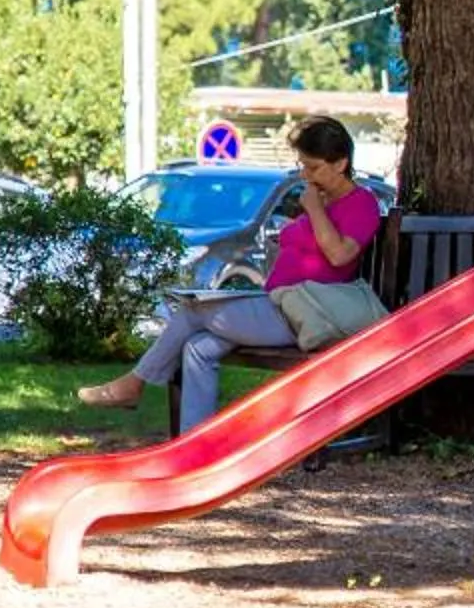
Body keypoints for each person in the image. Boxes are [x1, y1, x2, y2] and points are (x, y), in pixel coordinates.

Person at [77, 118, 384, 432]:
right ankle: (195, 444)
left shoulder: (361, 204)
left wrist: (314, 212)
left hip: (305, 314)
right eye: (302, 166)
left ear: (341, 163)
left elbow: (340, 254)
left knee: (193, 309)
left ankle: (134, 384)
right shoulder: (320, 198)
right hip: (276, 302)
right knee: (198, 347)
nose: (306, 176)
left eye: (314, 168)